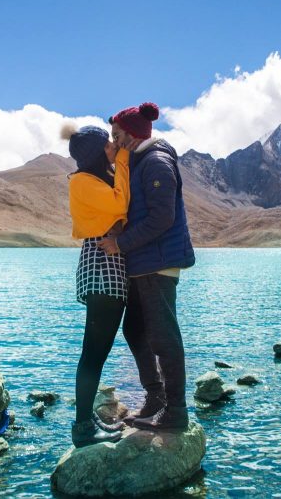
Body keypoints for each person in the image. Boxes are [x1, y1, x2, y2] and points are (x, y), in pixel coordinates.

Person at [98, 102, 196, 432]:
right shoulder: (137, 162)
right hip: (144, 264)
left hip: (158, 263)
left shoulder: (155, 162)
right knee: (135, 330)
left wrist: (119, 244)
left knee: (164, 338)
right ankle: (156, 397)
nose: (114, 142)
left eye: (117, 136)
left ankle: (176, 412)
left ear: (132, 134)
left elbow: (162, 218)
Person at [63, 124, 131, 447]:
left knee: (96, 353)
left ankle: (85, 420)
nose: (112, 148)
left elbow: (119, 209)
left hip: (108, 265)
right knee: (93, 353)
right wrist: (126, 158)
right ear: (93, 153)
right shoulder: (82, 182)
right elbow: (119, 205)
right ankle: (82, 429)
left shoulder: (93, 179)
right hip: (102, 264)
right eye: (107, 145)